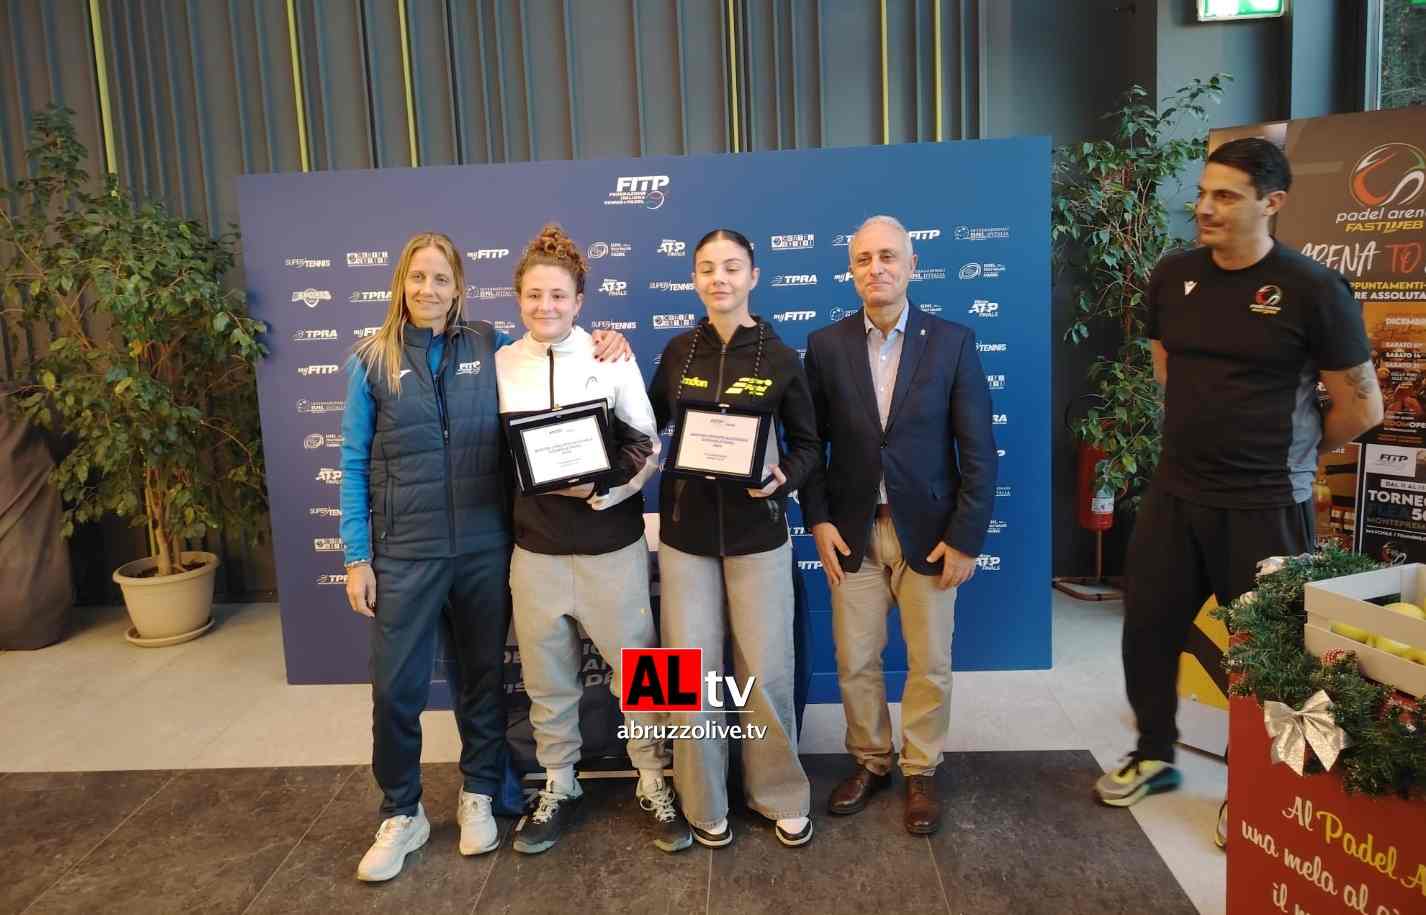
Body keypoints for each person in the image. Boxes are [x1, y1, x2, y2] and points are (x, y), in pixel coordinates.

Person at [1094, 138, 1382, 822]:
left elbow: (1362, 407)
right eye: (1203, 192)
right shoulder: (1173, 275)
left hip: (1264, 504)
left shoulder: (1314, 289)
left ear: (1272, 204)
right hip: (1175, 493)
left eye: (1226, 196)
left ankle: (1258, 786)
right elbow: (1169, 369)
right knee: (1149, 629)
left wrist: (1297, 453)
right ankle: (1155, 750)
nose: (1205, 207)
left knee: (1270, 657)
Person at [339, 231, 630, 882]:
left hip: (484, 545)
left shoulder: (491, 347)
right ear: (400, 284)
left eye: (441, 278)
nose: (428, 290)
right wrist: (358, 556)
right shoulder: (371, 361)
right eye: (418, 277)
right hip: (405, 553)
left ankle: (478, 794)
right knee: (396, 690)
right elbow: (352, 461)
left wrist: (606, 342)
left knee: (482, 682)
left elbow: (556, 354)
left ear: (459, 286)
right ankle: (401, 812)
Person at [495, 224, 691, 855]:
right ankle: (558, 782)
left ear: (579, 301)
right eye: (533, 295)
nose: (545, 306)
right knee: (547, 679)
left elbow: (645, 444)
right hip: (537, 554)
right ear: (518, 298)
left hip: (612, 545)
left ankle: (657, 779)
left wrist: (600, 491)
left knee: (646, 669)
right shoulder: (500, 365)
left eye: (558, 295)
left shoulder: (611, 356)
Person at [801, 215, 999, 836]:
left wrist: (967, 536)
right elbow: (811, 446)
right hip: (854, 535)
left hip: (932, 534)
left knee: (929, 662)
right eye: (863, 259)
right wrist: (819, 521)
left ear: (912, 264)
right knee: (856, 660)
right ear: (852, 270)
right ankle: (870, 761)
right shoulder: (827, 347)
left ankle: (920, 769)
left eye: (888, 256)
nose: (875, 268)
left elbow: (980, 450)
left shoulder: (953, 342)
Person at [647, 228, 820, 848]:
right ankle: (702, 798)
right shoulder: (676, 353)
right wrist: (603, 356)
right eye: (706, 268)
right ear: (695, 280)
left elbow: (806, 446)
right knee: (685, 673)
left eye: (731, 267)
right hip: (685, 536)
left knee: (766, 669)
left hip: (759, 536)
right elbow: (643, 426)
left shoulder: (780, 356)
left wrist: (783, 478)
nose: (718, 278)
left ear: (753, 275)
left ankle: (777, 792)